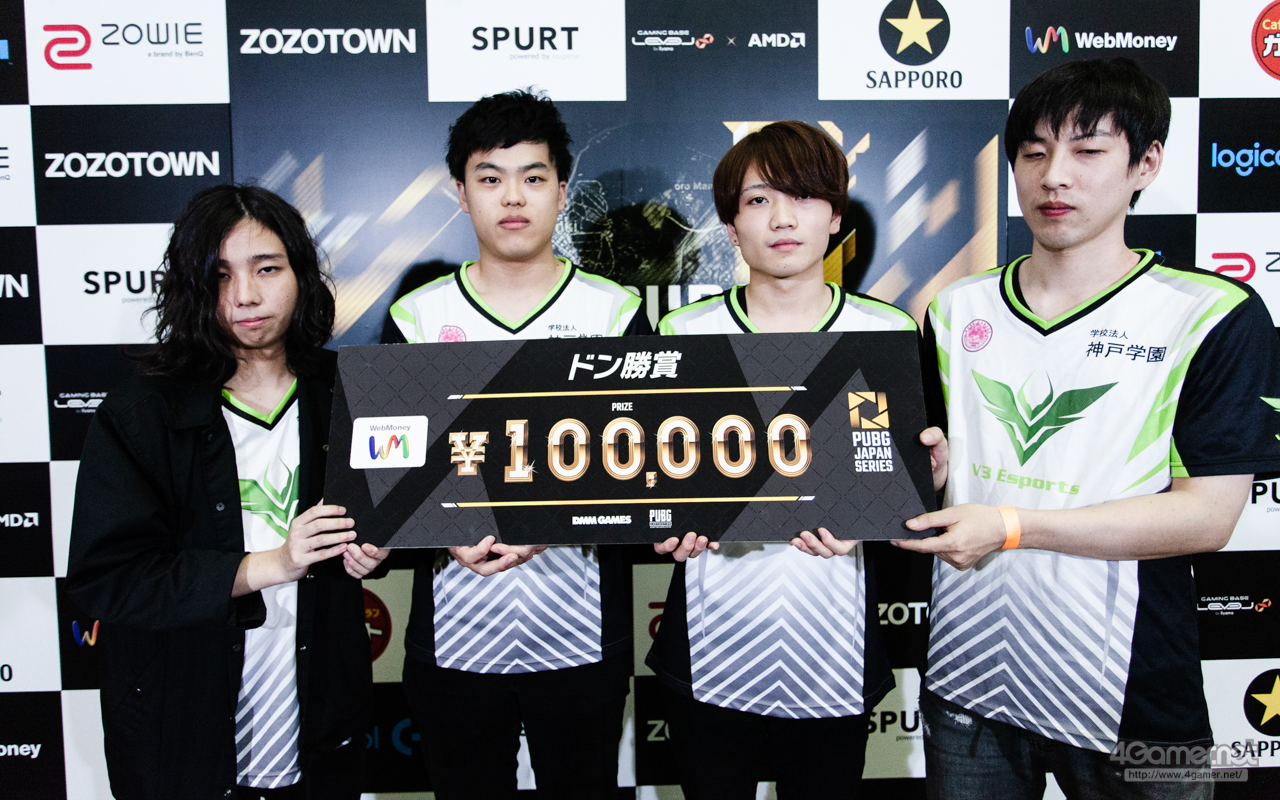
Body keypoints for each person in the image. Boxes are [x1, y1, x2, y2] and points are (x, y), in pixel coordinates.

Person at [897, 58, 1280, 799]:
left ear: (1147, 164)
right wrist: (927, 477)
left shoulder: (1210, 314)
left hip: (1137, 694)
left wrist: (1011, 526)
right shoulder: (954, 309)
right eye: (1034, 152)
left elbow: (1208, 516)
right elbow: (937, 472)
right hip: (968, 678)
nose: (1054, 177)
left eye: (1088, 150)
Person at [66, 185, 388, 800]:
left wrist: (374, 547)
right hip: (181, 730)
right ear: (191, 287)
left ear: (301, 274)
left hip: (320, 725)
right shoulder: (141, 413)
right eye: (220, 276)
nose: (245, 295)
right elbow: (107, 578)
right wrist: (274, 564)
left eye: (267, 269)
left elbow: (383, 516)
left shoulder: (349, 391)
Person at [645, 121, 926, 799]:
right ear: (731, 226)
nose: (781, 218)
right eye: (758, 200)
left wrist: (923, 483)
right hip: (708, 642)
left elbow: (904, 485)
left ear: (835, 216)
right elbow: (652, 480)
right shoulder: (683, 333)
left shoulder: (886, 332)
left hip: (834, 646)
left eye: (802, 196)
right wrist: (660, 522)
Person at [389, 90, 648, 799]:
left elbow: (645, 473)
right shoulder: (416, 317)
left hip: (581, 636)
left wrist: (551, 519)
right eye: (490, 177)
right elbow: (390, 468)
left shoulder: (614, 312)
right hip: (455, 638)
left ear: (561, 192)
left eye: (533, 177)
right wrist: (441, 530)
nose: (512, 197)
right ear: (460, 192)